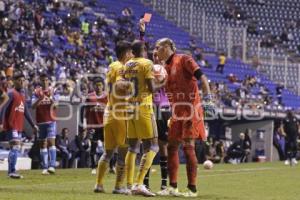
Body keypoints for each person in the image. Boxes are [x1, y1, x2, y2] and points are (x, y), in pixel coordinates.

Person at [154, 38, 211, 197]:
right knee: (171, 147)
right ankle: (173, 186)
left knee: (188, 147)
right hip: (176, 112)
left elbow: (202, 77)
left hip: (191, 109)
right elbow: (159, 86)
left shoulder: (184, 59)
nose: (156, 51)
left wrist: (208, 100)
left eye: (157, 48)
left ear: (166, 47)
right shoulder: (165, 68)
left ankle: (192, 189)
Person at [124, 40, 163, 196]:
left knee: (133, 147)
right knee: (153, 146)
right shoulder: (147, 63)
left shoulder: (128, 64)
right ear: (144, 50)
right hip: (144, 107)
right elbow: (152, 88)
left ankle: (128, 184)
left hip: (130, 107)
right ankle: (139, 184)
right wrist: (163, 82)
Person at [94, 40, 133, 194]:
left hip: (109, 113)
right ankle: (118, 186)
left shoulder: (112, 66)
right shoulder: (122, 68)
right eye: (130, 53)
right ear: (125, 54)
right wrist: (134, 85)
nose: (132, 56)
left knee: (108, 152)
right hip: (120, 113)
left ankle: (99, 184)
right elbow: (119, 85)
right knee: (124, 150)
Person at [0, 71, 39, 178]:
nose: (22, 82)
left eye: (23, 80)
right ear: (14, 82)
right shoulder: (11, 93)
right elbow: (3, 108)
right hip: (11, 125)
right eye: (19, 80)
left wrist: (33, 125)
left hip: (19, 126)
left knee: (16, 147)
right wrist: (1, 123)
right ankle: (11, 171)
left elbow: (26, 111)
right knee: (16, 146)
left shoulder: (22, 95)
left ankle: (11, 171)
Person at [143, 52, 171, 192]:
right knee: (149, 145)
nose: (156, 56)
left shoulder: (163, 70)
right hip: (154, 108)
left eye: (157, 54)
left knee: (161, 145)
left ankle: (163, 184)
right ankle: (146, 183)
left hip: (162, 109)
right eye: (154, 55)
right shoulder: (151, 69)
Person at [32, 73, 58, 175]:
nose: (44, 82)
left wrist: (50, 97)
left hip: (51, 120)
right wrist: (40, 98)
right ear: (40, 81)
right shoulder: (36, 91)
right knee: (42, 144)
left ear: (48, 81)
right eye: (42, 80)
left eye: (46, 80)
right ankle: (45, 167)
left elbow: (56, 106)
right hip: (40, 121)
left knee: (51, 142)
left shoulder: (53, 90)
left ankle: (52, 166)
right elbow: (33, 106)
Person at [84, 78, 108, 175]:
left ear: (103, 86)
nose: (98, 87)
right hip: (93, 125)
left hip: (104, 125)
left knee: (108, 147)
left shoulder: (107, 96)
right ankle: (93, 167)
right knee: (93, 146)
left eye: (100, 85)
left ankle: (110, 165)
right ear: (94, 86)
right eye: (96, 85)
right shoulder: (89, 97)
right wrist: (85, 124)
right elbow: (85, 111)